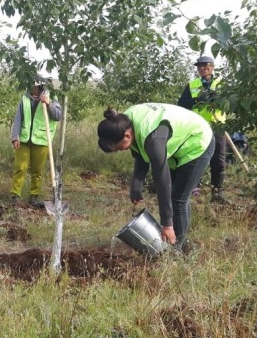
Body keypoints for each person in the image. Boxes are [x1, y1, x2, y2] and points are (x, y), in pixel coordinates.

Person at [97, 103, 214, 248]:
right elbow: (140, 153)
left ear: (127, 135)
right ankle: (180, 242)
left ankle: (175, 251)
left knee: (178, 198)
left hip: (197, 141)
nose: (119, 151)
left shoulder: (153, 140)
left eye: (117, 147)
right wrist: (136, 187)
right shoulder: (123, 122)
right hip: (176, 142)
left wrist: (167, 224)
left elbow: (162, 180)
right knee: (176, 198)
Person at [177, 55, 228, 204]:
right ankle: (194, 188)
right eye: (200, 67)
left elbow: (228, 103)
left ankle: (217, 192)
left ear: (212, 67)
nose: (202, 69)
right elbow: (182, 104)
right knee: (196, 157)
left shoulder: (221, 84)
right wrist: (198, 100)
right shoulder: (192, 85)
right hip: (198, 127)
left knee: (218, 161)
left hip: (217, 126)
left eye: (205, 66)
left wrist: (216, 99)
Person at [10, 82, 62, 207]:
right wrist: (15, 136)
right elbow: (18, 118)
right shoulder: (25, 98)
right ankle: (15, 195)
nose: (29, 87)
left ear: (39, 87)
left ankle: (34, 196)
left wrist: (48, 103)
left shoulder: (52, 96)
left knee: (37, 170)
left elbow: (58, 116)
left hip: (42, 139)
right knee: (20, 168)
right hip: (24, 139)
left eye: (32, 85)